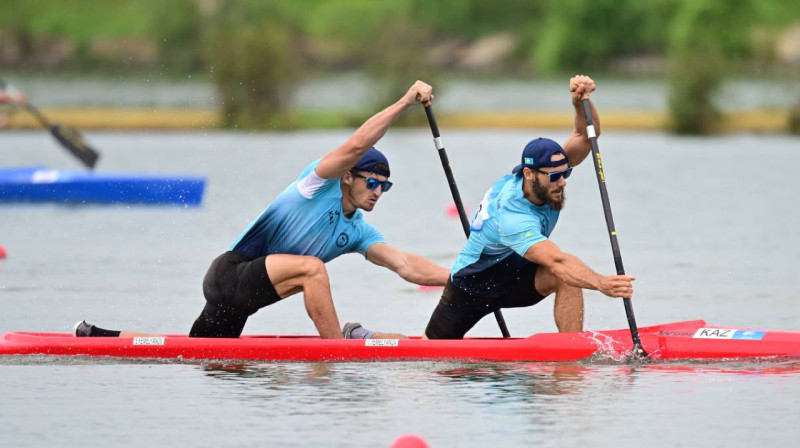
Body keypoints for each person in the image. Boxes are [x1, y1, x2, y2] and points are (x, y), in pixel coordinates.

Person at [75, 80, 450, 339]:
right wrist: (404, 102)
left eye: (384, 186)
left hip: (247, 300)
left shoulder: (359, 231)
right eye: (371, 182)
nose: (378, 192)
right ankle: (337, 351)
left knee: (192, 353)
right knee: (313, 270)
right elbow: (354, 146)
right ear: (347, 177)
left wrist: (462, 277)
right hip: (229, 274)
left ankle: (94, 336)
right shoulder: (315, 184)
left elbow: (405, 265)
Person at [419, 74, 636, 339]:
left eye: (565, 174)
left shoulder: (547, 176)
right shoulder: (512, 214)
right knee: (433, 353)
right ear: (530, 174)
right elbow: (557, 259)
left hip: (516, 279)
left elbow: (585, 135)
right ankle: (362, 335)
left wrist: (580, 102)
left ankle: (571, 357)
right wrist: (602, 283)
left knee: (566, 279)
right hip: (470, 287)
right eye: (554, 177)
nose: (562, 182)